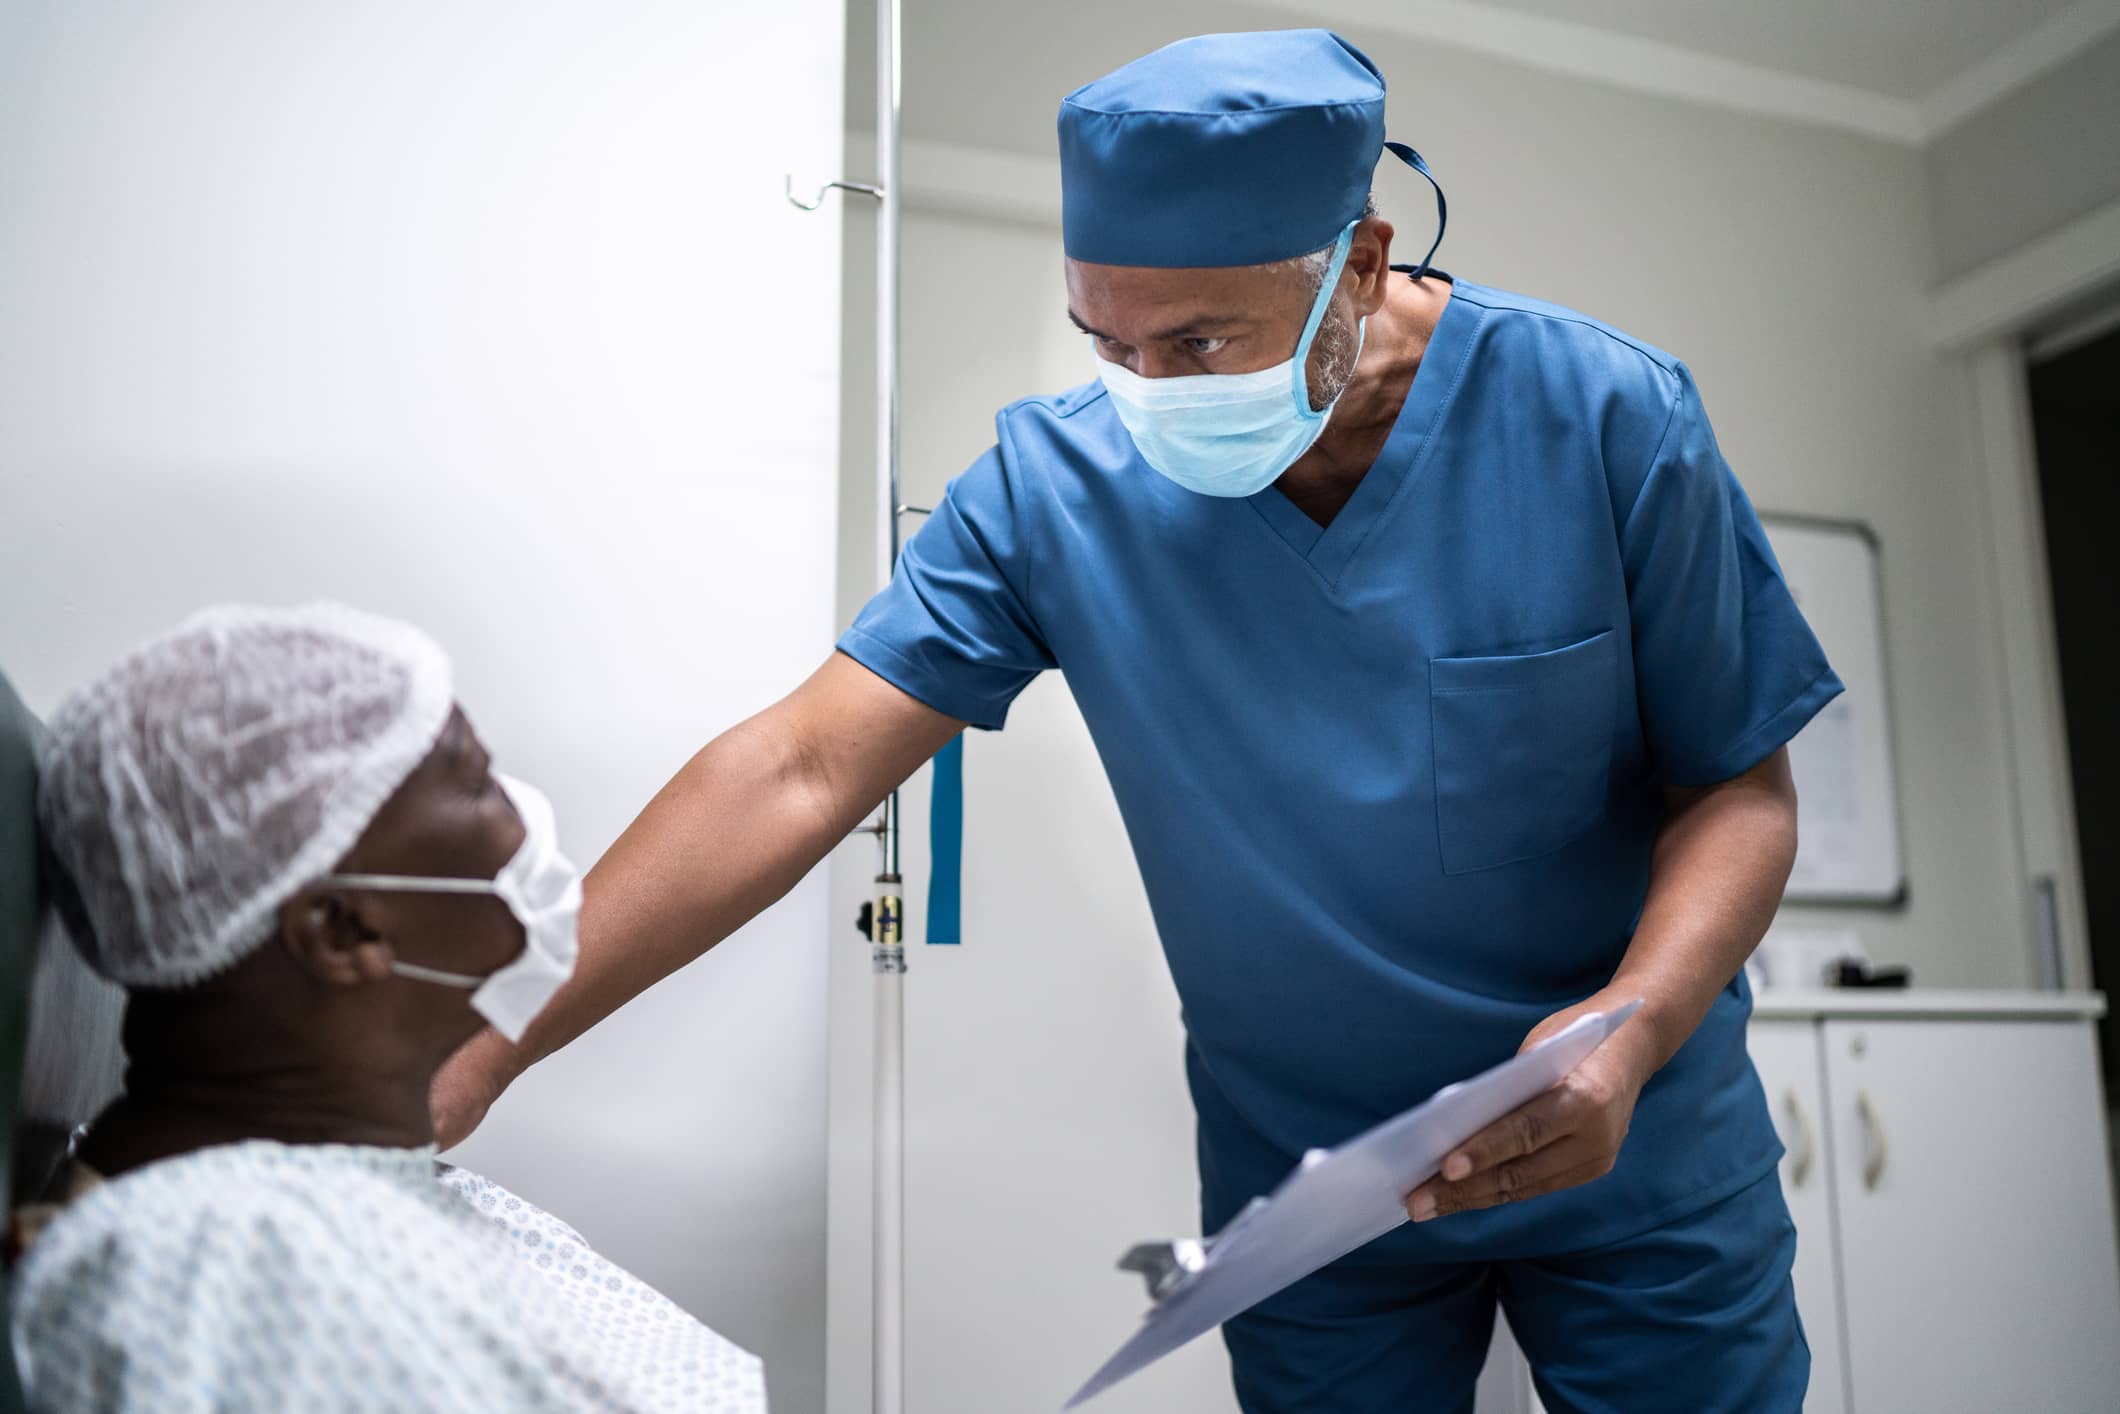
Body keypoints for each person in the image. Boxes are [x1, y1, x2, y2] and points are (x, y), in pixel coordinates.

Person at [440, 29, 1838, 1413]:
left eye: (1199, 339)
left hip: (1634, 1133)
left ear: (1359, 261)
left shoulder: (1603, 417)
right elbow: (800, 764)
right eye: (1104, 339)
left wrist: (1634, 1031)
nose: (1151, 392)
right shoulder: (1056, 488)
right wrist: (489, 1039)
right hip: (1315, 1191)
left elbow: (1743, 790)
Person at [12, 604, 766, 1413]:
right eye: (476, 780)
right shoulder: (240, 1270)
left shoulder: (295, 1204)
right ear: (342, 930)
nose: (524, 818)